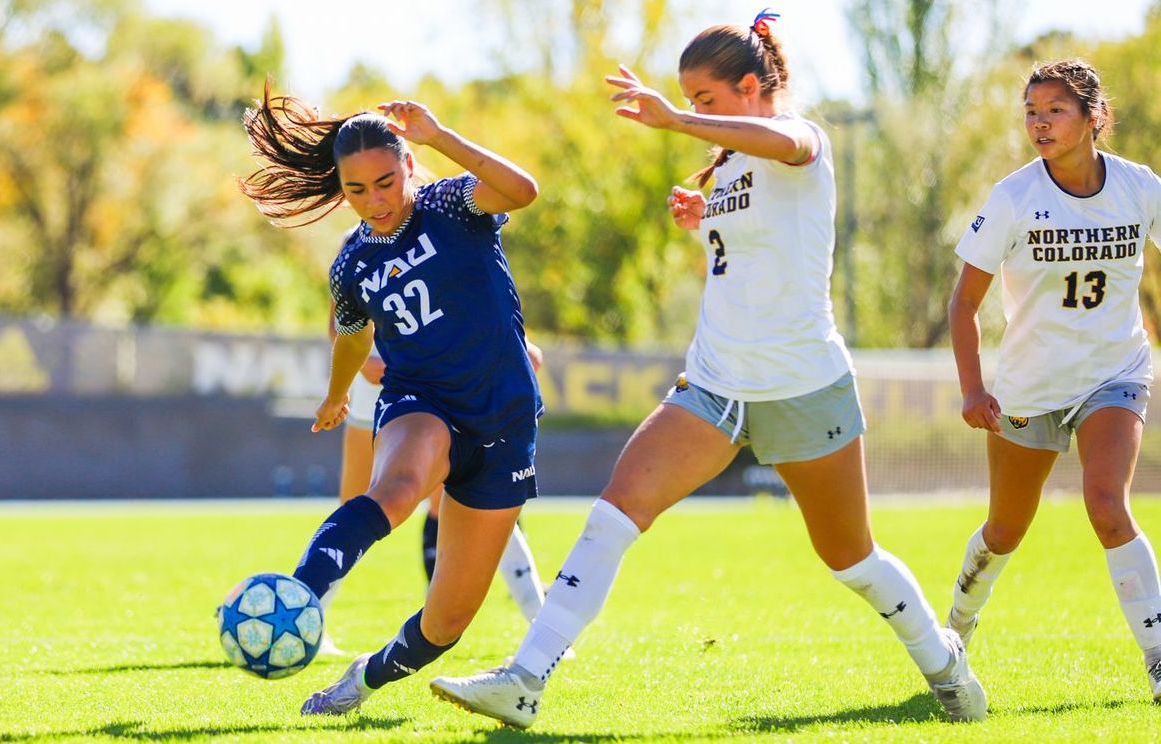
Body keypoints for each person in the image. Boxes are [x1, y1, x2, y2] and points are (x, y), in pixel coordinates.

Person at [430, 10, 986, 728]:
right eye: (690, 101)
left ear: (752, 86)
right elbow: (748, 261)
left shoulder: (801, 137)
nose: (695, 112)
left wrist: (676, 123)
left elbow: (780, 141)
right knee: (613, 515)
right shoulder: (725, 162)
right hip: (715, 383)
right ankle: (525, 680)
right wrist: (705, 220)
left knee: (851, 558)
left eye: (706, 99)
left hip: (802, 384)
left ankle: (944, 665)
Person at [238, 82, 543, 715]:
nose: (374, 201)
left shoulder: (454, 204)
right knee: (396, 491)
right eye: (356, 190)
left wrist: (441, 136)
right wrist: (335, 393)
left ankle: (361, 680)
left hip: (507, 420)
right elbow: (350, 336)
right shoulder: (351, 265)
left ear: (408, 164)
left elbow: (524, 190)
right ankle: (302, 594)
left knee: (446, 623)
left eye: (385, 181)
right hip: (422, 400)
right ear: (340, 190)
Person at [942, 58, 1161, 702]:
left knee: (1106, 503)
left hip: (1114, 374)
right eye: (1031, 112)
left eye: (1055, 111)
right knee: (1005, 529)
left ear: (1095, 118)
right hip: (1028, 389)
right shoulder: (1013, 198)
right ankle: (954, 629)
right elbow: (963, 303)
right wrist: (973, 388)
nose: (1039, 123)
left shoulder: (1140, 187)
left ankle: (1158, 657)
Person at [319, 312, 549, 654]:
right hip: (378, 386)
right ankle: (309, 615)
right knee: (356, 506)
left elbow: (489, 302)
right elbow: (339, 319)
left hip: (442, 383)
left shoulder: (469, 254)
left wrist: (521, 346)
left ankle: (542, 626)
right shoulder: (356, 256)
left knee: (475, 498)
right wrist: (363, 359)